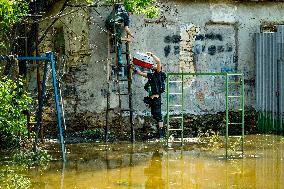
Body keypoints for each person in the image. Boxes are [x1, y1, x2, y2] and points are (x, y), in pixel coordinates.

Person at [133, 52, 165, 139]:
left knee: (158, 116)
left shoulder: (158, 73)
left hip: (157, 98)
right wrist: (134, 68)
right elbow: (141, 73)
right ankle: (158, 131)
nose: (153, 65)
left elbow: (158, 61)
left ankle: (161, 133)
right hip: (152, 100)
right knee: (154, 114)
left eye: (155, 65)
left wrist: (152, 55)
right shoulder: (151, 75)